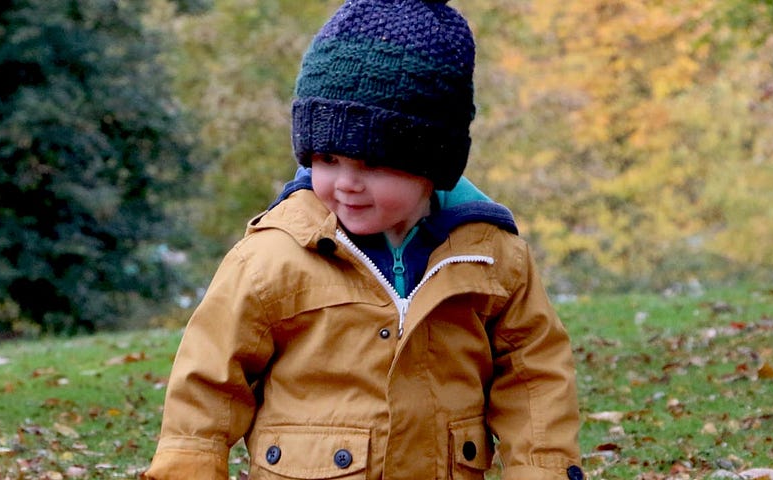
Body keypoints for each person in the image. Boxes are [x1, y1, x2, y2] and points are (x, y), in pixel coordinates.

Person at [142, 1, 584, 479]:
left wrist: (544, 468)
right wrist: (188, 464)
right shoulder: (274, 255)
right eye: (327, 159)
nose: (345, 183)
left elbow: (534, 378)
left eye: (372, 164)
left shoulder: (491, 257)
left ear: (431, 164)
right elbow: (209, 378)